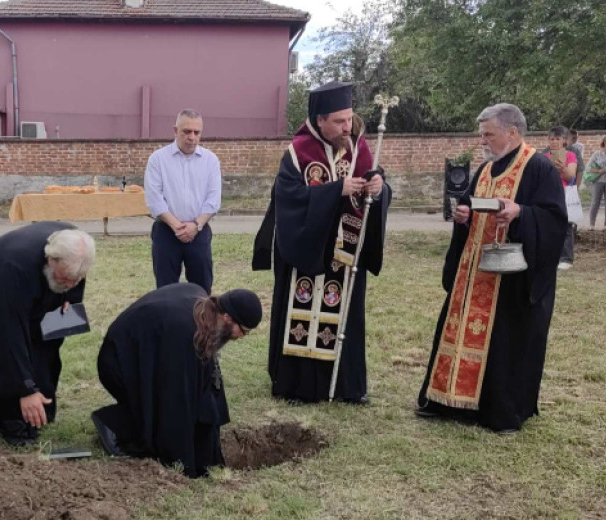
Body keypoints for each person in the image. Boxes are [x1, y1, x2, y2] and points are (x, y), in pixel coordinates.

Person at [415, 103, 567, 434]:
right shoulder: (485, 169)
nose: (482, 140)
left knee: (504, 341)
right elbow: (470, 207)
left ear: (513, 132)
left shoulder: (539, 167)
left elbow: (555, 220)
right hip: (473, 272)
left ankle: (499, 411)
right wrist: (463, 218)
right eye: (481, 134)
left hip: (511, 277)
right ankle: (447, 399)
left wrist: (522, 213)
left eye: (489, 134)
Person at [252, 81, 389, 404]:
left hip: (344, 254)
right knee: (300, 312)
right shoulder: (297, 153)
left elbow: (373, 183)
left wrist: (378, 188)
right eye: (340, 121)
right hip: (306, 251)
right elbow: (288, 199)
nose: (347, 127)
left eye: (350, 118)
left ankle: (346, 386)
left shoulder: (359, 147)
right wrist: (334, 191)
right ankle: (298, 386)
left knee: (345, 316)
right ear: (320, 120)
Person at [91, 284, 262, 478]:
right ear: (228, 317)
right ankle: (114, 424)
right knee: (158, 414)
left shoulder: (205, 312)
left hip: (150, 350)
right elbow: (176, 403)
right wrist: (184, 464)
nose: (241, 337)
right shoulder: (186, 333)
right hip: (120, 363)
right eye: (243, 331)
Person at [0, 222, 95, 446]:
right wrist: (25, 389)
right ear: (51, 260)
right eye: (64, 279)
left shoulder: (74, 245)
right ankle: (1, 412)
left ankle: (37, 404)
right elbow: (10, 336)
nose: (69, 283)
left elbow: (75, 275)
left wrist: (70, 296)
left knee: (45, 339)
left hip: (28, 278)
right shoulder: (13, 269)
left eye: (74, 280)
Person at [144, 109, 222, 293]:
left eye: (197, 132)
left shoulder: (210, 161)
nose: (192, 137)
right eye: (186, 131)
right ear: (175, 130)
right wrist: (176, 226)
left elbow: (213, 199)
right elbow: (154, 199)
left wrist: (196, 225)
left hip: (199, 231)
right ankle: (169, 321)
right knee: (166, 289)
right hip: (166, 232)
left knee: (202, 287)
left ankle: (201, 321)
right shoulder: (158, 160)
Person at [543, 126, 578, 270]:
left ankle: (566, 258)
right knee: (547, 224)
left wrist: (563, 168)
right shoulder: (543, 157)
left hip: (564, 192)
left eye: (558, 139)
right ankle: (550, 256)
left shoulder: (570, 155)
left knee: (565, 224)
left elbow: (571, 177)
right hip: (547, 192)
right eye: (552, 139)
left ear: (564, 140)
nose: (554, 142)